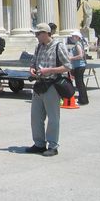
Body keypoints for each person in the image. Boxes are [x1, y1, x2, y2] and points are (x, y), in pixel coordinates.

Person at [26, 22, 71, 157]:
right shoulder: (39, 47)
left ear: (46, 33)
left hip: (52, 84)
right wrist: (32, 69)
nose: (36, 36)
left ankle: (53, 145)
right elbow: (33, 63)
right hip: (39, 84)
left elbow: (68, 66)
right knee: (36, 116)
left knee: (53, 117)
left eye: (38, 33)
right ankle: (39, 144)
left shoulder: (58, 46)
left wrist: (49, 70)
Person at [69, 31, 89, 105]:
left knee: (79, 84)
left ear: (77, 37)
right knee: (80, 83)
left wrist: (71, 58)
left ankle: (83, 100)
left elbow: (80, 55)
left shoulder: (77, 45)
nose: (72, 38)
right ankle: (83, 99)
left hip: (79, 66)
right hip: (79, 66)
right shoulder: (78, 44)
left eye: (73, 36)